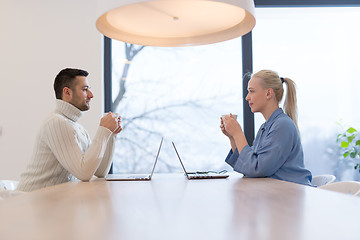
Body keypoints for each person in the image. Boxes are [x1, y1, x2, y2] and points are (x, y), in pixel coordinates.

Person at [17, 68, 122, 191]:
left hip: (50, 202)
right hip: (29, 203)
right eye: (84, 89)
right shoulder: (56, 123)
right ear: (67, 92)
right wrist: (103, 129)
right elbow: (83, 173)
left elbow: (100, 171)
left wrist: (111, 134)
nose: (91, 95)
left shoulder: (77, 128)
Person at [220, 70, 312, 186]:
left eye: (251, 91)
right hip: (277, 193)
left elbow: (257, 169)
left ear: (268, 93)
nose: (247, 97)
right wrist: (232, 137)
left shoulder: (283, 125)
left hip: (290, 195)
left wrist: (238, 133)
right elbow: (249, 166)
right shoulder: (266, 127)